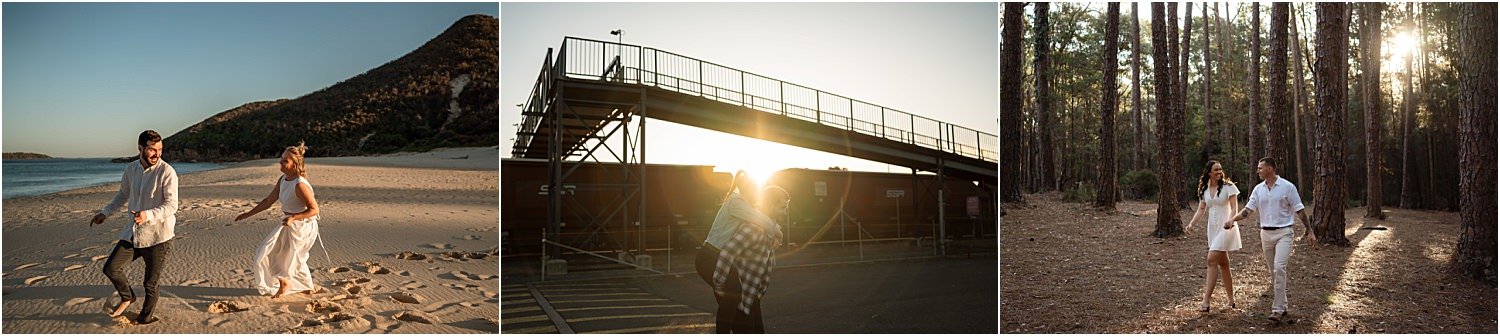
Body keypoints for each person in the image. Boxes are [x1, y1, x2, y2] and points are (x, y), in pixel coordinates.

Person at [90, 130, 179, 325]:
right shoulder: (131, 169)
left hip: (159, 237)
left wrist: (147, 215)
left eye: (160, 149)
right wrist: (105, 213)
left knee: (150, 284)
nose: (157, 154)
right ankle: (128, 297)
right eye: (152, 150)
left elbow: (172, 205)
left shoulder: (167, 172)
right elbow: (122, 195)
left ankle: (145, 320)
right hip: (133, 233)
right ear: (140, 149)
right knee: (111, 268)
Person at [1223, 157, 1315, 322]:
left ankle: (1277, 310)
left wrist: (1309, 231)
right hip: (1266, 234)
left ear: (1270, 169)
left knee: (1279, 268)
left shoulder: (1288, 187)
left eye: (1260, 168)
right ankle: (1283, 305)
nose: (1258, 171)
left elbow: (1300, 210)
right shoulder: (1258, 189)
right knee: (1274, 272)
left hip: (1284, 233)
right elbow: (1248, 211)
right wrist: (1232, 220)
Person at [695, 171, 786, 333]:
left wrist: (773, 231)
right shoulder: (736, 202)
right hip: (709, 256)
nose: (757, 196)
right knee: (735, 291)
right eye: (754, 191)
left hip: (717, 257)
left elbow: (760, 215)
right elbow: (758, 218)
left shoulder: (745, 206)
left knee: (734, 297)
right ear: (746, 190)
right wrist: (776, 230)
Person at [235, 142, 322, 298]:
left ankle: (285, 284)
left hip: (302, 226)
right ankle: (306, 286)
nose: (280, 162)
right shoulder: (283, 179)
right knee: (276, 254)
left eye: (285, 160)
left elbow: (314, 210)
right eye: (281, 159)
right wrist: (248, 214)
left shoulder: (300, 185)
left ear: (295, 164)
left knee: (287, 256)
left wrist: (294, 218)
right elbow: (269, 201)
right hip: (288, 223)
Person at [1184, 160, 1241, 312]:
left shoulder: (1229, 187)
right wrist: (1191, 224)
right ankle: (1231, 300)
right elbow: (1201, 209)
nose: (1219, 172)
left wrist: (1231, 219)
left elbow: (1235, 207)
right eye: (1216, 169)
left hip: (1226, 227)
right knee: (1223, 263)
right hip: (1213, 229)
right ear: (1209, 172)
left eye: (1220, 169)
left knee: (1211, 260)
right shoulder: (1204, 189)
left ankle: (1206, 302)